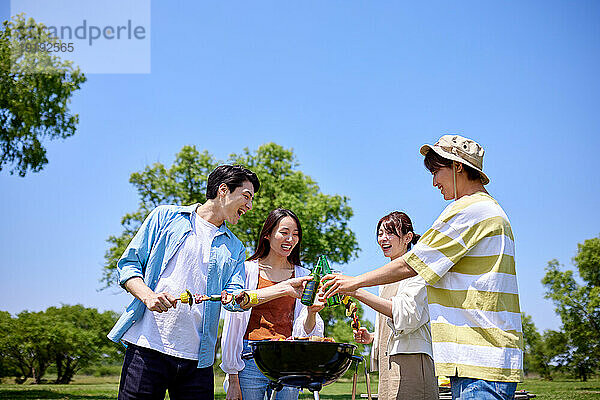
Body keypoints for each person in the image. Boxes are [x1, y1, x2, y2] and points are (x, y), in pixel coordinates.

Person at [322, 135, 523, 400]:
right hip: (483, 357)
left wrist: (353, 283)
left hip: (479, 357)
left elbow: (412, 265)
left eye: (436, 172)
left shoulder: (469, 210)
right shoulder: (490, 210)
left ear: (457, 166)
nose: (433, 182)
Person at [107, 165, 311, 400]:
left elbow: (236, 299)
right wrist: (148, 296)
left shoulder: (235, 247)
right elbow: (129, 265)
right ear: (223, 190)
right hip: (147, 347)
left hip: (198, 361)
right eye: (246, 196)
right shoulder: (166, 217)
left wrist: (283, 288)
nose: (250, 206)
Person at [221, 208, 325, 400]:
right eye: (284, 233)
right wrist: (233, 378)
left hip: (288, 360)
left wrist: (311, 313)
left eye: (295, 235)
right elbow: (233, 323)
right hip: (249, 358)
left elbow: (308, 332)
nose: (291, 239)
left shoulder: (304, 276)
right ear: (267, 234)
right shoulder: (246, 270)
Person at [351, 211, 438, 400]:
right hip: (388, 361)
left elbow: (407, 316)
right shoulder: (385, 279)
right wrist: (373, 337)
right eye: (380, 233)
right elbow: (393, 323)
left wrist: (356, 290)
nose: (383, 238)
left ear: (407, 238)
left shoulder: (417, 271)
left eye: (390, 233)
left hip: (412, 360)